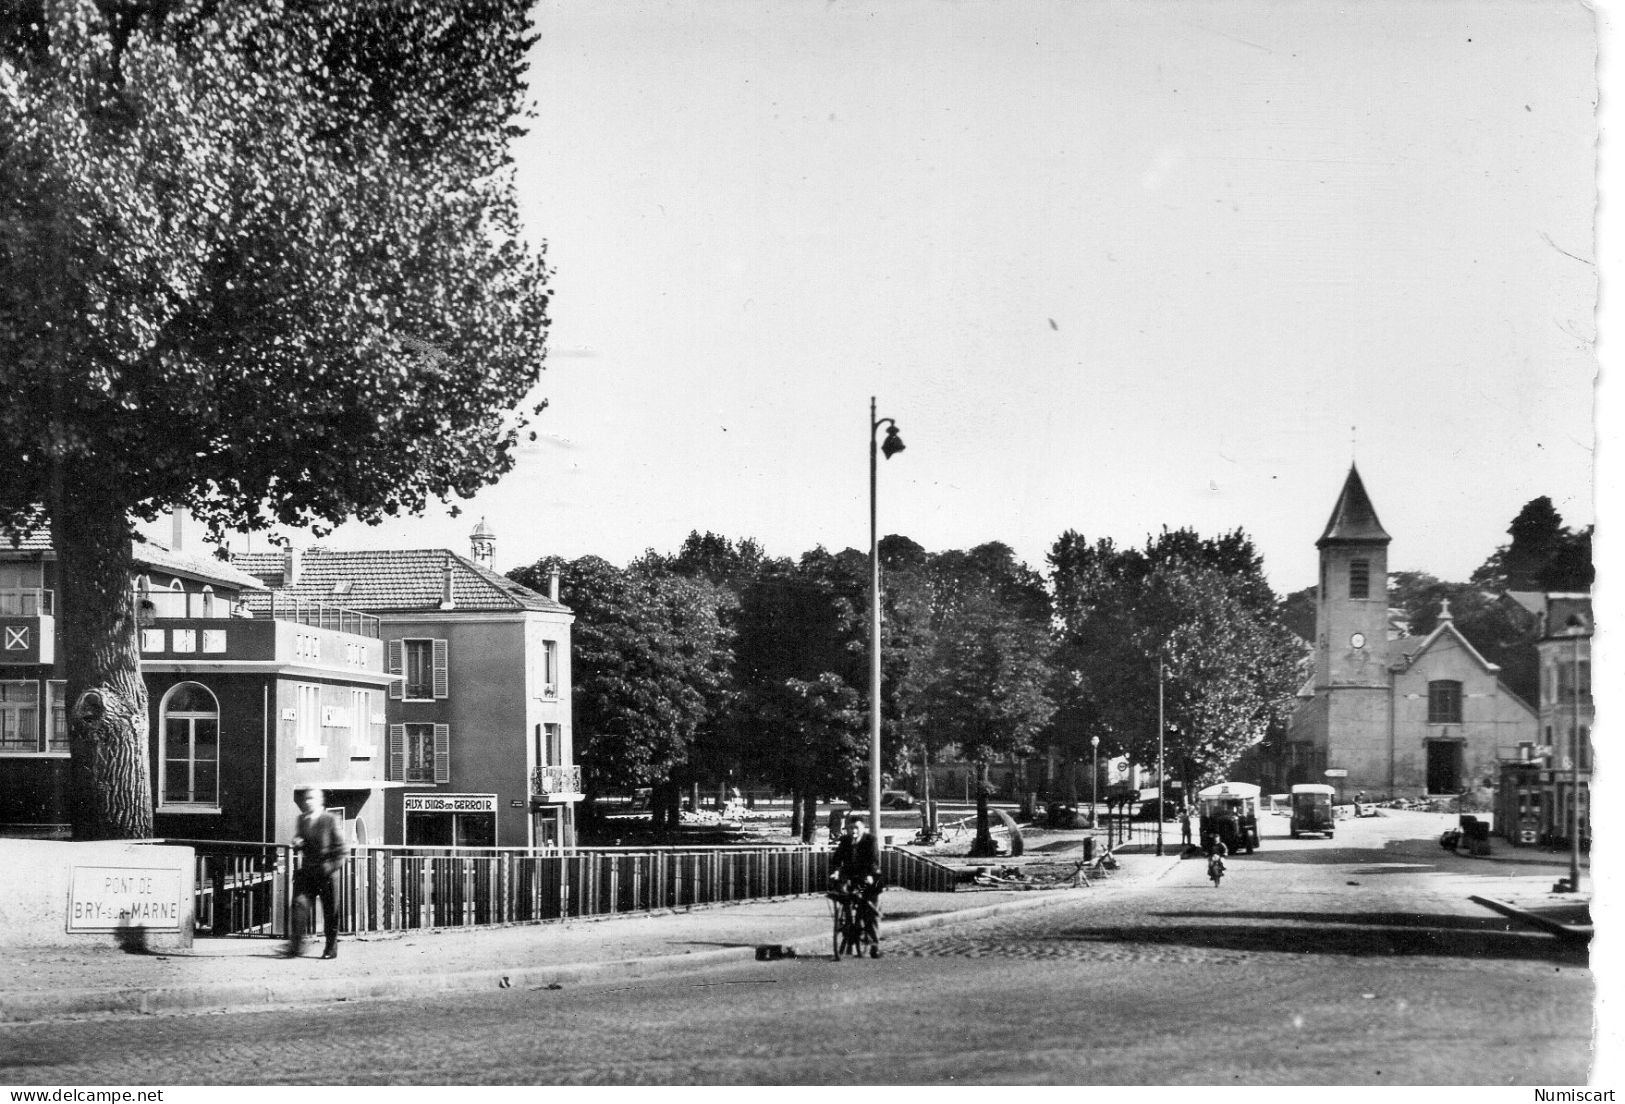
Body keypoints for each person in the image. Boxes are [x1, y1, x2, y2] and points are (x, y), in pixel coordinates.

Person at [285, 787, 347, 960]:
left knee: (330, 912)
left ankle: (330, 949)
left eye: (311, 798)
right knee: (299, 905)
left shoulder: (330, 819)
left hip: (327, 874)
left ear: (320, 800)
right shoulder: (302, 819)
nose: (307, 801)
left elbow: (342, 850)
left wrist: (331, 866)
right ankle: (295, 947)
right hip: (308, 873)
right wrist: (298, 842)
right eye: (306, 799)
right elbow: (301, 840)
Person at [829, 814, 883, 955]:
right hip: (851, 878)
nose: (853, 831)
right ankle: (847, 924)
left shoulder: (870, 840)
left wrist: (870, 875)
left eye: (856, 828)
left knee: (870, 911)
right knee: (842, 893)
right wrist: (835, 871)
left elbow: (873, 860)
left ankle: (874, 944)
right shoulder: (845, 840)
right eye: (851, 828)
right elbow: (836, 859)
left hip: (868, 879)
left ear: (863, 829)